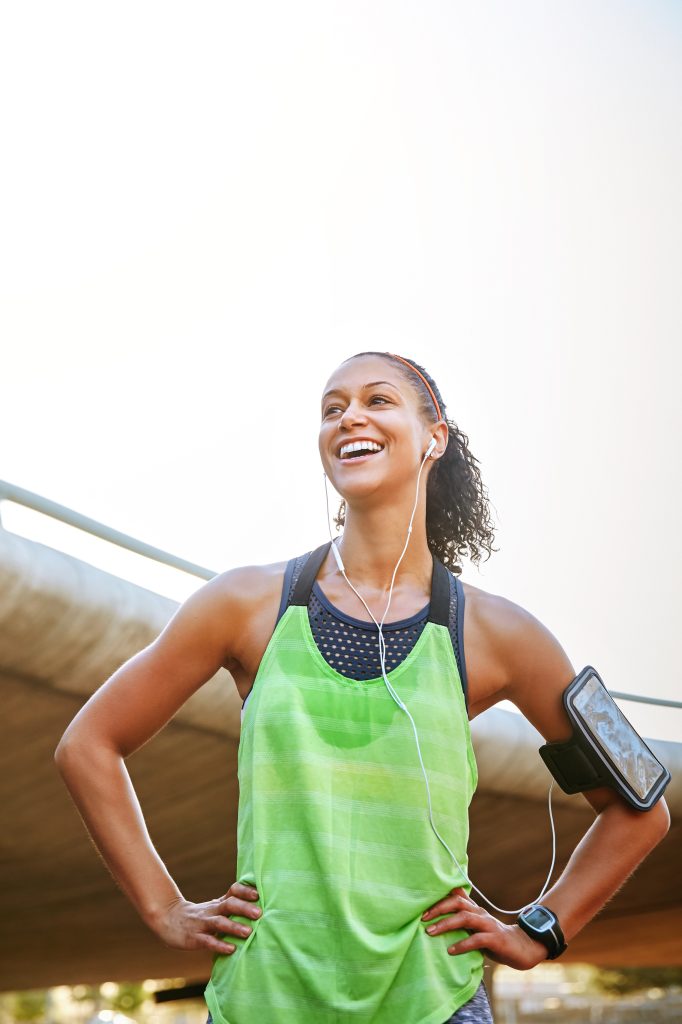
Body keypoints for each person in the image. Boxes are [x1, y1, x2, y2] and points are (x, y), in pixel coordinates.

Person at [55, 352, 670, 1024]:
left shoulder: (502, 634)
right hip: (264, 1001)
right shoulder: (243, 604)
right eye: (332, 407)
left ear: (434, 437)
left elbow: (639, 803)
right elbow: (88, 744)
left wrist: (540, 930)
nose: (349, 416)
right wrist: (163, 907)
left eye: (377, 400)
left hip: (433, 1003)